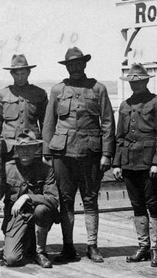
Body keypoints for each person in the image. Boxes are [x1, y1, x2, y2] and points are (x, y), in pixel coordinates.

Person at [42, 47, 115, 263]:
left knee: (90, 200)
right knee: (65, 201)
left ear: (84, 64)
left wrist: (107, 153)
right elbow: (49, 123)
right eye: (70, 65)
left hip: (90, 153)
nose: (75, 68)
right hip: (62, 155)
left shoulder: (98, 89)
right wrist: (47, 152)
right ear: (67, 67)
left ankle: (92, 246)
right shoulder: (57, 90)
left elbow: (109, 122)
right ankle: (68, 247)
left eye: (78, 64)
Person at [112, 64, 157, 268]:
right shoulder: (124, 106)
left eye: (139, 81)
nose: (135, 85)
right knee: (137, 206)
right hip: (130, 163)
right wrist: (117, 163)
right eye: (132, 82)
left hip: (150, 164)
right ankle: (143, 247)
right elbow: (119, 136)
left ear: (146, 81)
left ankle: (156, 249)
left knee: (153, 205)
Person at [0, 129, 59, 268]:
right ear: (16, 150)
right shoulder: (7, 168)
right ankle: (26, 244)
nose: (25, 152)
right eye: (21, 148)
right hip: (16, 218)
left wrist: (27, 197)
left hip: (36, 214)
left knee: (42, 210)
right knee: (12, 259)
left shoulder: (45, 169)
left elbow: (53, 199)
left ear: (36, 149)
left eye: (29, 148)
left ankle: (40, 251)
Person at [0, 54, 48, 161]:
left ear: (29, 72)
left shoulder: (39, 93)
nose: (20, 77)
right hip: (10, 150)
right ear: (11, 74)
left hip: (33, 148)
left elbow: (45, 124)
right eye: (16, 74)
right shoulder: (2, 94)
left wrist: (46, 152)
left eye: (23, 73)